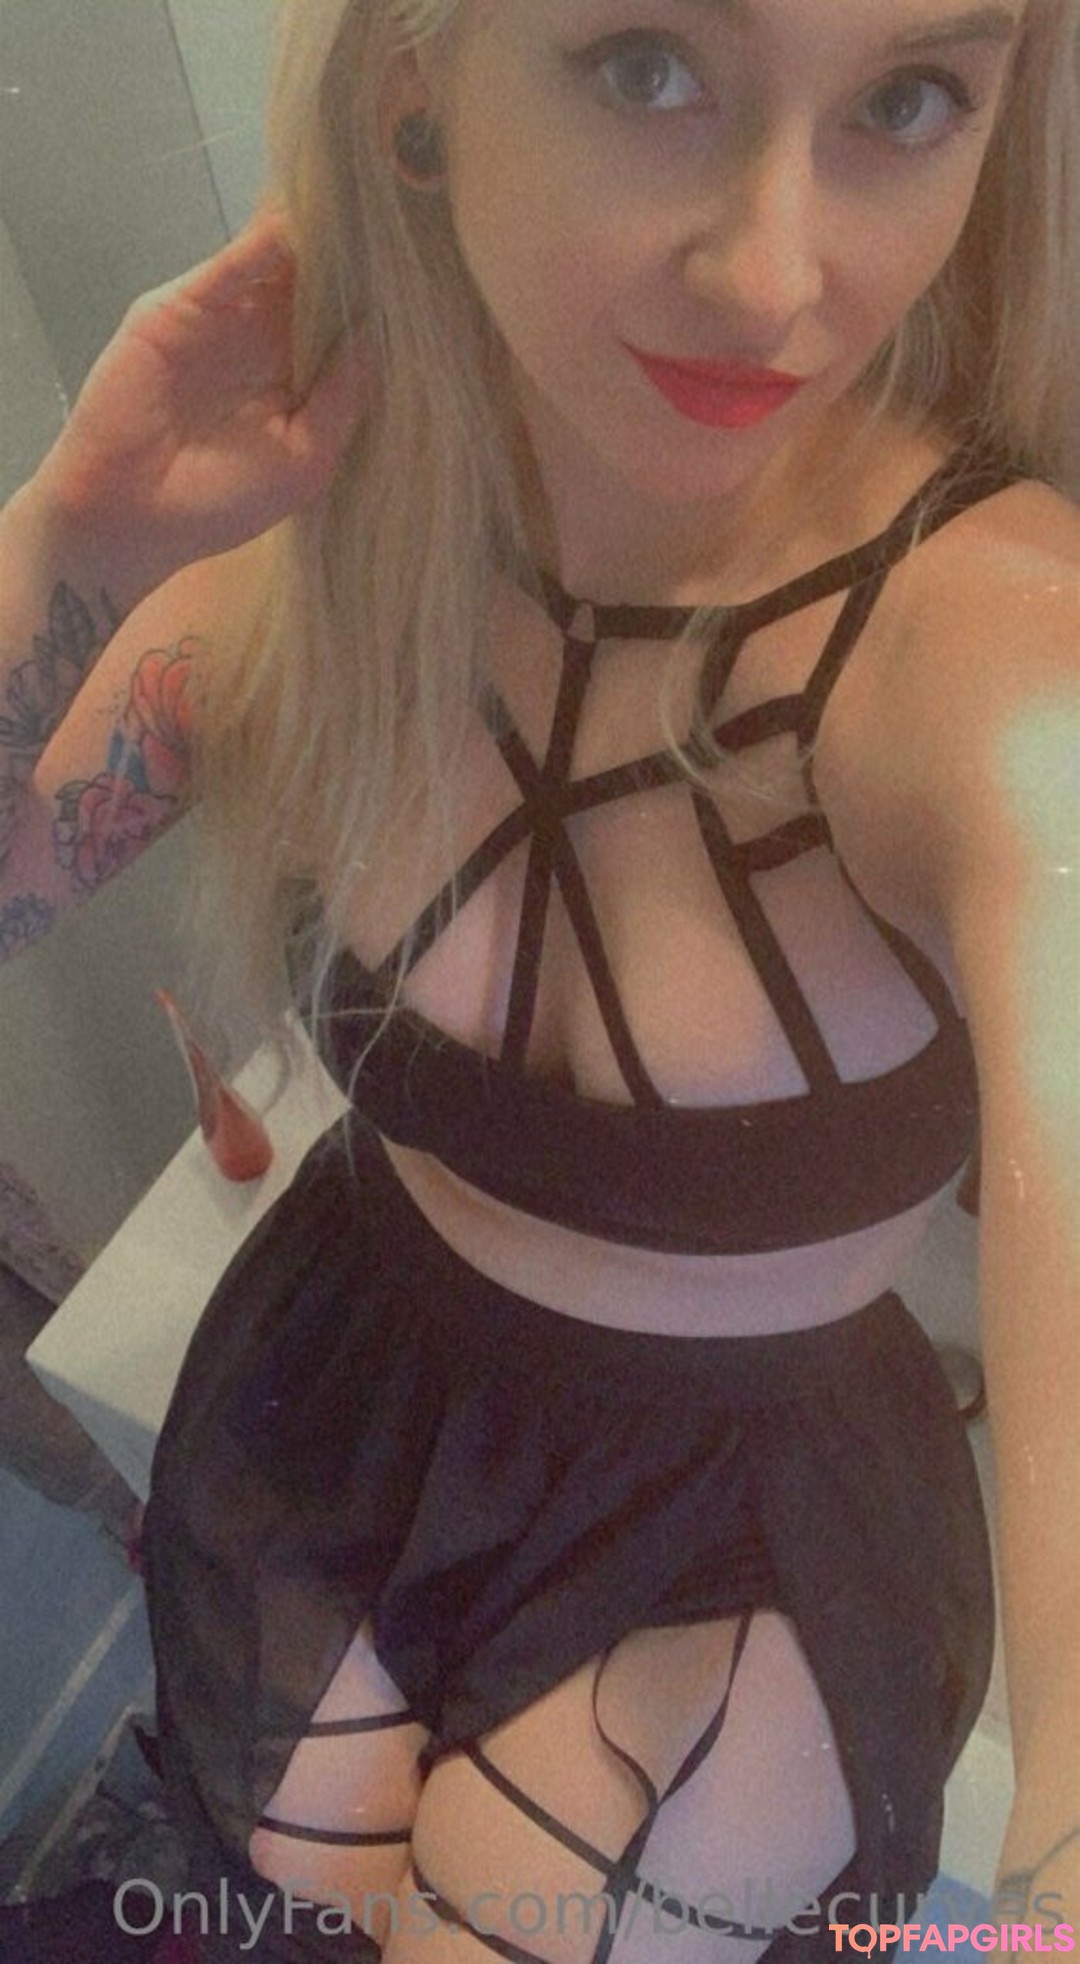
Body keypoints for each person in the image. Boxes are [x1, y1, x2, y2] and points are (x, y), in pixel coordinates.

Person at [1, 0, 1078, 1956]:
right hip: (353, 1387)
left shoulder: (996, 659)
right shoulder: (343, 538)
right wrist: (67, 531)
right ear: (416, 81)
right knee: (310, 1890)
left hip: (738, 1544)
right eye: (649, 65)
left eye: (908, 98)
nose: (772, 272)